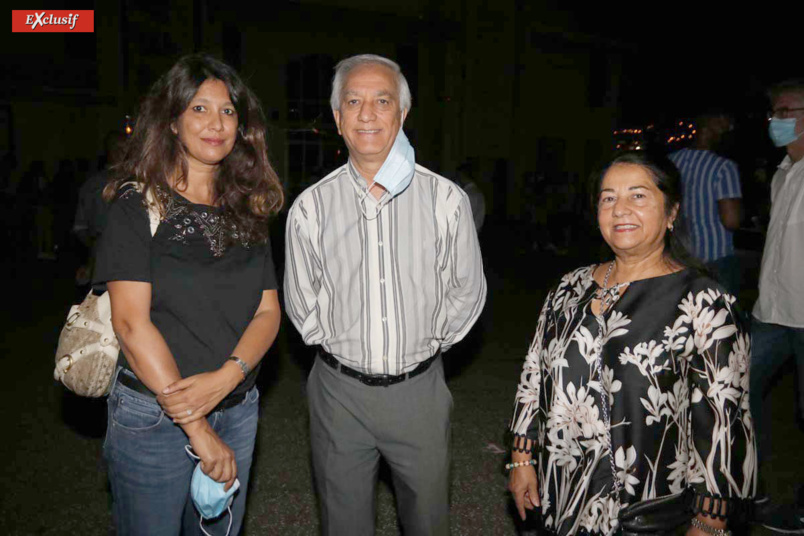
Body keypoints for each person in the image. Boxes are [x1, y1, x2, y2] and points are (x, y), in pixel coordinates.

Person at [284, 54, 486, 536]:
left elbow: (467, 289)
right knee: (343, 523)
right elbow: (300, 298)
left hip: (418, 393)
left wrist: (425, 345)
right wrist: (337, 347)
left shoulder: (445, 201)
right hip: (338, 395)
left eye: (382, 101)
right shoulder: (311, 207)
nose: (367, 113)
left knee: (427, 520)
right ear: (337, 119)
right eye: (353, 102)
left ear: (402, 114)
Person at [508, 151, 755, 535]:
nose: (620, 209)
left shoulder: (703, 303)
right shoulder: (569, 287)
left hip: (643, 508)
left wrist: (710, 521)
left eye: (638, 196)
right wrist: (522, 457)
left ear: (672, 212)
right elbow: (534, 373)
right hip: (561, 489)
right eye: (608, 198)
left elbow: (724, 421)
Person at [94, 54, 283, 536]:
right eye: (199, 109)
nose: (215, 123)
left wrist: (227, 378)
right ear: (174, 120)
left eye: (227, 111)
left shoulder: (249, 207)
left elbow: (267, 311)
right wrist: (197, 428)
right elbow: (131, 325)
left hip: (237, 409)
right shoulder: (137, 206)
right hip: (153, 417)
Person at [750, 79, 804, 533]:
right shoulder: (783, 172)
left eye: (786, 111)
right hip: (770, 311)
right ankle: (752, 485)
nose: (776, 120)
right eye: (774, 112)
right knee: (735, 391)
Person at [668, 112, 742, 295]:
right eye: (726, 125)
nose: (729, 131)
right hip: (716, 259)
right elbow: (732, 220)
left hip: (679, 256)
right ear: (711, 124)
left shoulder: (672, 161)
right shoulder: (724, 167)